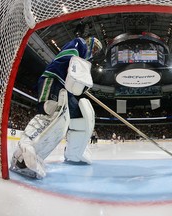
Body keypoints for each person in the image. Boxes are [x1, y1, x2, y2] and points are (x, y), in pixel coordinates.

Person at [10, 36, 103, 179]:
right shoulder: (80, 43)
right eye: (94, 47)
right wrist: (77, 77)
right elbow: (68, 59)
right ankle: (22, 155)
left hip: (65, 88)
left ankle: (75, 153)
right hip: (53, 79)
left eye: (97, 51)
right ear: (89, 42)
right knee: (50, 112)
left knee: (81, 115)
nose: (94, 51)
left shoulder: (84, 59)